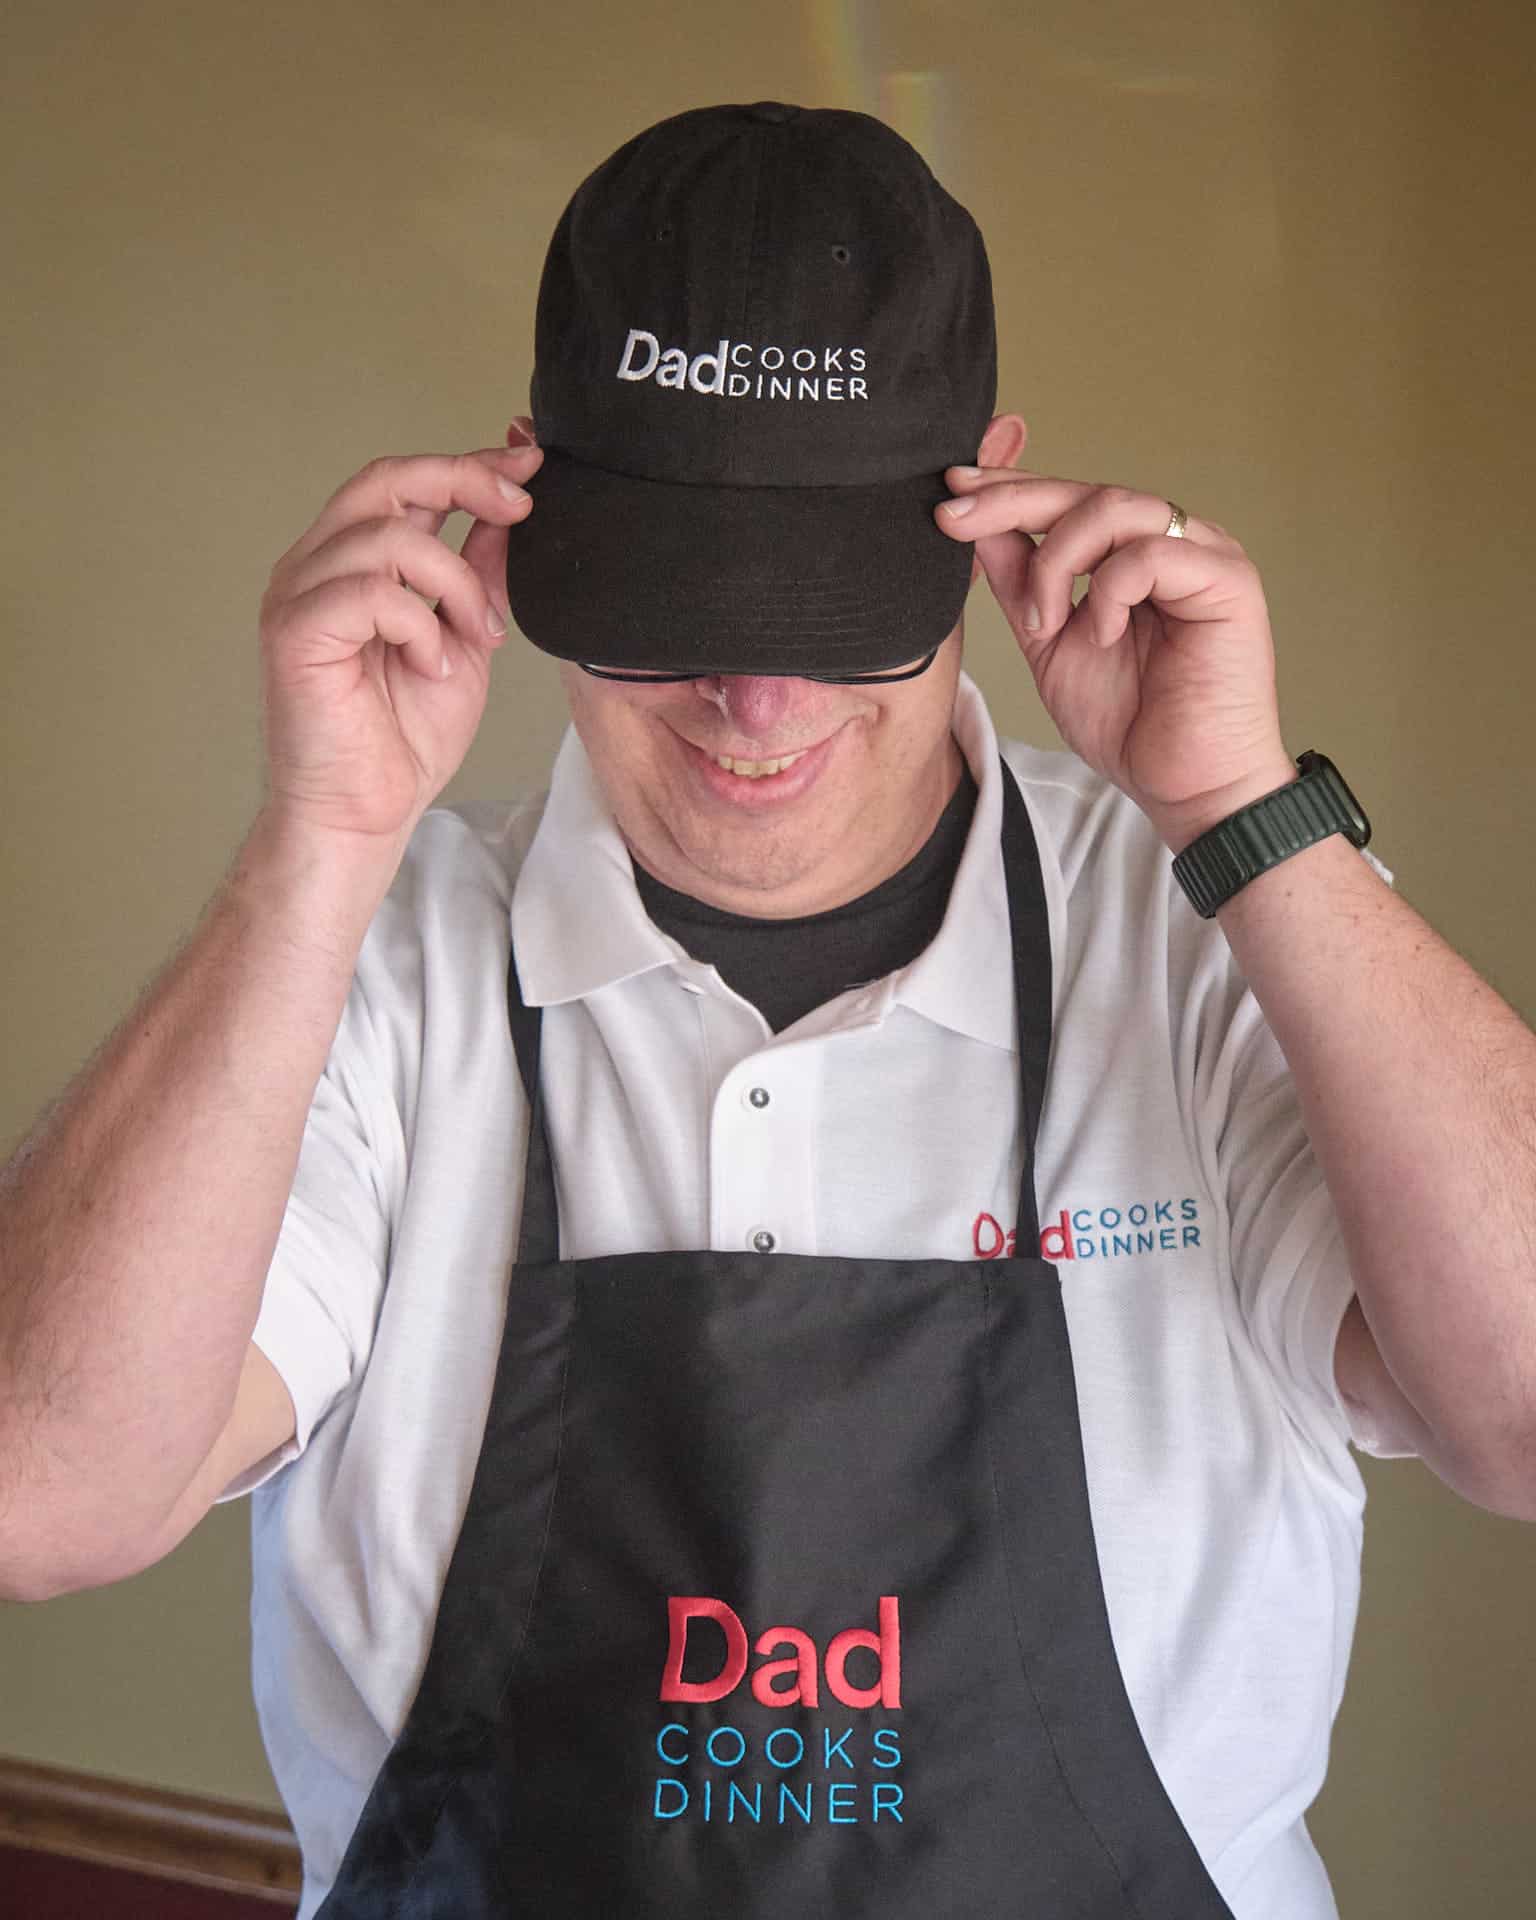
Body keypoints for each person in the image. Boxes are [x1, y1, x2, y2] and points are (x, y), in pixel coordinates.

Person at [0, 99, 1532, 1920]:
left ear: (988, 501)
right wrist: (316, 841)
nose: (751, 695)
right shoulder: (378, 968)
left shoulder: (1198, 934)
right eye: (675, 603)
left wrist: (1243, 816)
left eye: (823, 604)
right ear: (521, 506)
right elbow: (40, 1497)